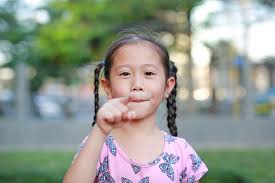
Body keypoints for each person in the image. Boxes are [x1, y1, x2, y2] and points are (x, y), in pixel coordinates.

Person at [63, 27, 208, 183]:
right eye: (125, 74)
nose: (137, 84)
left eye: (149, 73)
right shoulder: (97, 144)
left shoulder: (181, 151)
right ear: (107, 87)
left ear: (167, 87)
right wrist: (99, 131)